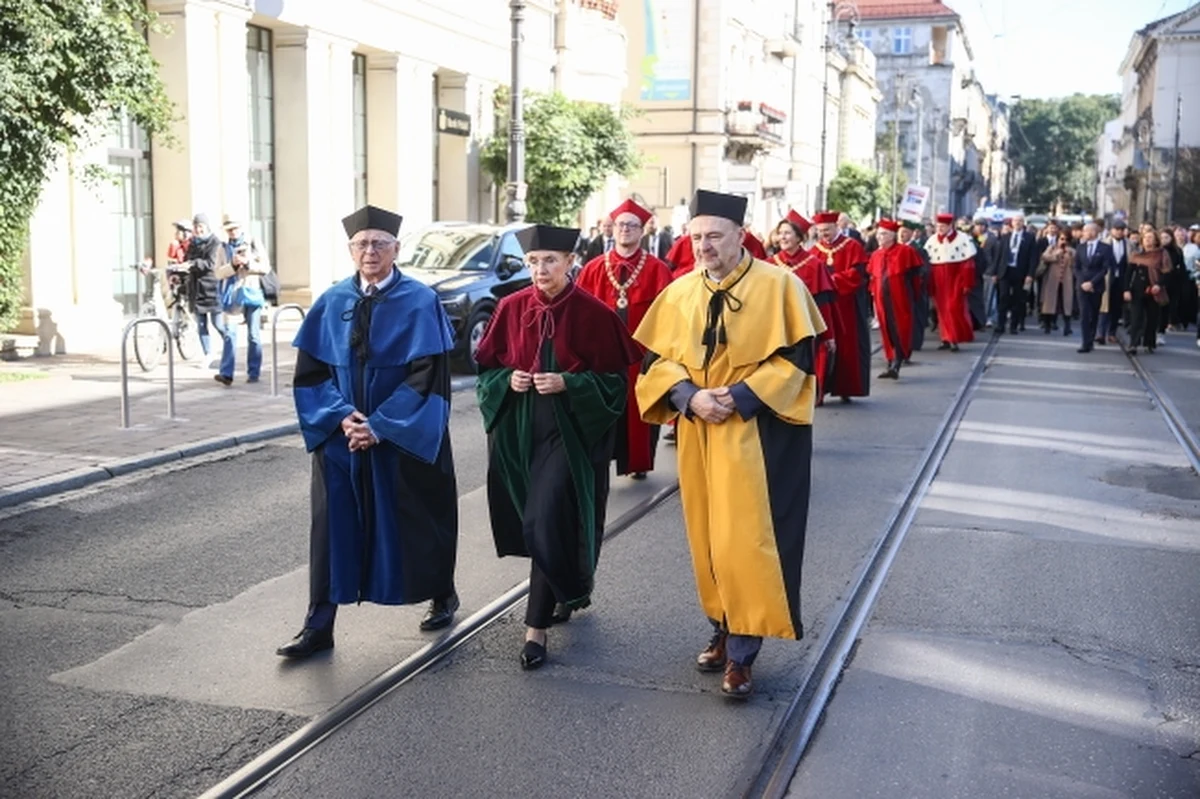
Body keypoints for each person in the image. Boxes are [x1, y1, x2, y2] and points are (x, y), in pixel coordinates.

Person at [634, 189, 824, 699]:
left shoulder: (780, 286)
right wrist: (689, 397)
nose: (704, 246)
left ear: (742, 234)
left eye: (715, 236)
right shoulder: (679, 292)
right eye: (697, 237)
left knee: (748, 539)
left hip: (757, 434)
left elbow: (797, 360)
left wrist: (737, 398)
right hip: (699, 430)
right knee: (709, 537)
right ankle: (721, 623)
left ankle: (743, 651)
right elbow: (655, 363)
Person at [276, 205, 460, 659]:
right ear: (350, 250)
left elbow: (429, 378)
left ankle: (442, 593)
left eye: (379, 243)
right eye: (362, 244)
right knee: (331, 527)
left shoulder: (420, 301)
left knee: (420, 521)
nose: (370, 251)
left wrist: (381, 426)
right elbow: (310, 375)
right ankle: (318, 624)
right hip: (342, 440)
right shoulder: (331, 301)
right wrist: (341, 417)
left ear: (396, 249)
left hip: (403, 438)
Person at [475, 224, 641, 670]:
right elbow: (487, 373)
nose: (540, 269)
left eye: (550, 260)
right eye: (533, 262)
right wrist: (507, 380)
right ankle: (566, 588)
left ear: (571, 262)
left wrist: (570, 383)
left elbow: (615, 385)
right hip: (519, 433)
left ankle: (536, 629)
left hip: (568, 435)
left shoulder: (593, 313)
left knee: (544, 520)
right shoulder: (510, 307)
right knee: (538, 520)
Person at [576, 199, 674, 479]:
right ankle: (599, 461)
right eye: (620, 224)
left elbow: (669, 316)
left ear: (642, 230)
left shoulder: (658, 269)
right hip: (602, 353)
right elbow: (579, 311)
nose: (625, 230)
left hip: (642, 354)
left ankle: (637, 463)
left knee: (639, 406)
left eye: (632, 225)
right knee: (602, 405)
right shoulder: (594, 268)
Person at [772, 210, 837, 404]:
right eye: (780, 233)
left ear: (799, 237)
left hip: (806, 327)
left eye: (787, 233)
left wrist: (828, 335)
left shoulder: (815, 264)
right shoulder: (769, 264)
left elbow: (823, 303)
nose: (782, 237)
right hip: (778, 326)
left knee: (807, 362)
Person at [812, 210, 870, 401]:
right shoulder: (815, 251)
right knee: (822, 348)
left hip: (846, 305)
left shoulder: (852, 246)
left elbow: (857, 274)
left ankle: (845, 388)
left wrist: (833, 280)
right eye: (820, 231)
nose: (824, 235)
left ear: (836, 227)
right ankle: (819, 391)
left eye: (827, 230)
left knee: (846, 347)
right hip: (824, 306)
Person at [214, 218, 272, 386]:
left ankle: (254, 372)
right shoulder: (222, 248)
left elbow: (265, 268)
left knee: (253, 335)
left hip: (251, 292)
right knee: (229, 334)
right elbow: (217, 273)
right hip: (232, 295)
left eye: (235, 228)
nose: (232, 232)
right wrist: (232, 265)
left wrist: (248, 263)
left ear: (241, 228)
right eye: (229, 229)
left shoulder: (253, 242)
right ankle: (226, 374)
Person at [868, 220, 923, 378]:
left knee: (899, 327)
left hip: (900, 297)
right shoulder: (876, 254)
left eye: (884, 234)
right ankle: (890, 360)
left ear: (892, 236)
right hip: (881, 299)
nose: (880, 237)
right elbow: (873, 277)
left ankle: (897, 361)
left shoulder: (905, 251)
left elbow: (916, 276)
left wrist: (914, 295)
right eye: (879, 234)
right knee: (886, 328)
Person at [924, 213, 976, 351]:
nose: (939, 229)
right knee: (941, 310)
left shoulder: (963, 238)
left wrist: (967, 282)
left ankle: (954, 338)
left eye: (942, 226)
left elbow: (968, 264)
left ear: (950, 226)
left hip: (956, 278)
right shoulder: (932, 240)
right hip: (938, 278)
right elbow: (928, 263)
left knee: (953, 308)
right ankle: (945, 338)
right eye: (938, 226)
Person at [183, 214, 225, 364]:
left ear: (207, 227)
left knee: (217, 324)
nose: (198, 230)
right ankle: (208, 354)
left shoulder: (215, 243)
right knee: (201, 326)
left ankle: (230, 346)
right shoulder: (192, 244)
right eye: (195, 226)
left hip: (212, 289)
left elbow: (211, 264)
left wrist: (193, 263)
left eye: (200, 226)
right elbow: (187, 260)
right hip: (196, 290)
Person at [1124, 228, 1171, 355]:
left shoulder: (1161, 254)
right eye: (1145, 238)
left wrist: (1159, 285)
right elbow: (1128, 273)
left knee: (1152, 317)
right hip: (1137, 289)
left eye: (1150, 238)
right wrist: (1126, 289)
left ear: (1156, 240)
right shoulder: (1136, 254)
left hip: (1154, 289)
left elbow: (1166, 273)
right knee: (1136, 317)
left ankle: (1149, 342)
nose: (1148, 240)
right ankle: (1133, 343)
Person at [991, 213, 1036, 334]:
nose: (1017, 223)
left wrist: (1030, 274)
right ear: (1012, 223)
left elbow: (1033, 258)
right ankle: (1000, 325)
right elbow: (999, 255)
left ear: (1023, 223)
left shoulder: (1029, 238)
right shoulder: (1005, 237)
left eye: (1020, 221)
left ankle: (1013, 326)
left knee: (1017, 299)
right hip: (1005, 271)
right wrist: (995, 273)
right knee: (1003, 297)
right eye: (1015, 221)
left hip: (1020, 271)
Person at [1074, 222, 1115, 354]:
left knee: (1094, 314)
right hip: (1082, 285)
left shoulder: (1105, 248)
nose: (1085, 233)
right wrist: (1082, 282)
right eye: (1084, 231)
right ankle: (1085, 342)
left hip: (1096, 285)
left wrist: (1092, 283)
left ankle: (1091, 339)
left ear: (1094, 232)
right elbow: (1077, 267)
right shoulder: (1080, 247)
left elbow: (1105, 268)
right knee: (1084, 314)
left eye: (1087, 231)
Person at [899, 220, 930, 353]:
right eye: (900, 232)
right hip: (899, 289)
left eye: (905, 232)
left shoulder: (918, 249)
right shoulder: (896, 248)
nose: (902, 235)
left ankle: (915, 342)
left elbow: (924, 269)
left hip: (914, 287)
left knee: (916, 315)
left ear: (911, 233)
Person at [1038, 232, 1077, 337]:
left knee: (1066, 304)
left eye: (1066, 239)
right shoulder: (1052, 248)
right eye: (1061, 239)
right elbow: (1044, 257)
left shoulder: (1072, 251)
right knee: (1049, 303)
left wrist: (1070, 256)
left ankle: (1067, 327)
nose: (1064, 241)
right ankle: (1047, 325)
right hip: (1052, 279)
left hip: (1066, 280)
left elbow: (1075, 264)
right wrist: (1056, 254)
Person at [1099, 221, 1130, 345]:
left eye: (1122, 229)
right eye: (1117, 229)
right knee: (1104, 306)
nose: (1119, 232)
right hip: (1107, 279)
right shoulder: (1104, 243)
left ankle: (1112, 332)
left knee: (1117, 307)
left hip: (1122, 279)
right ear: (1111, 230)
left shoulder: (1129, 244)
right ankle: (1101, 333)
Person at [971, 219, 1000, 330]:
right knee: (978, 297)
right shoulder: (971, 238)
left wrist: (994, 271)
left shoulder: (992, 239)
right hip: (975, 271)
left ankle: (987, 318)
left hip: (988, 271)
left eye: (982, 225)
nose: (979, 227)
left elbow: (996, 256)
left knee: (988, 296)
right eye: (977, 225)